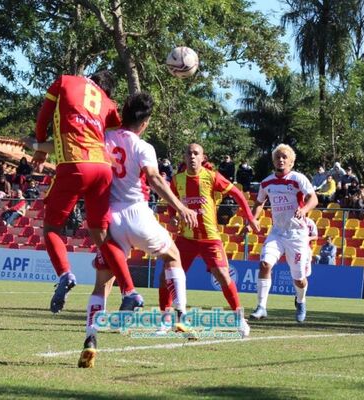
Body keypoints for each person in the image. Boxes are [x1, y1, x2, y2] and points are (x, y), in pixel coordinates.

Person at [78, 92, 198, 368]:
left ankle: (90, 339)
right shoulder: (144, 147)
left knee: (102, 284)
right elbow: (154, 178)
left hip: (111, 219)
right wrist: (180, 207)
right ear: (144, 123)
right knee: (173, 256)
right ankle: (180, 314)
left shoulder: (104, 139)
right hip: (137, 213)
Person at [29, 70, 140, 315]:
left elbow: (44, 116)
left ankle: (65, 274)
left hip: (74, 166)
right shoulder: (109, 104)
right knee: (101, 237)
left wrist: (39, 146)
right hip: (103, 169)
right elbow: (119, 137)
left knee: (51, 229)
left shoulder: (65, 80)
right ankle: (130, 291)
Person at [158, 143, 260, 334]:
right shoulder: (177, 179)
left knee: (222, 275)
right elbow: (172, 201)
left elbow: (237, 193)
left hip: (210, 238)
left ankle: (239, 319)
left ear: (203, 157)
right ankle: (165, 321)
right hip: (186, 238)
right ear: (184, 157)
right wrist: (172, 216)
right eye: (189, 153)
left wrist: (250, 217)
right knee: (165, 277)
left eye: (196, 153)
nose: (192, 156)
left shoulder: (211, 176)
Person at [248, 144, 318, 323]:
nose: (281, 160)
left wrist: (304, 210)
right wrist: (253, 219)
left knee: (299, 279)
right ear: (273, 160)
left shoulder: (298, 179)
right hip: (277, 233)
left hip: (297, 235)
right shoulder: (266, 182)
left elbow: (313, 198)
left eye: (285, 157)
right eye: (278, 157)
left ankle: (301, 301)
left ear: (291, 162)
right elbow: (259, 203)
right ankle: (261, 307)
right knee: (264, 264)